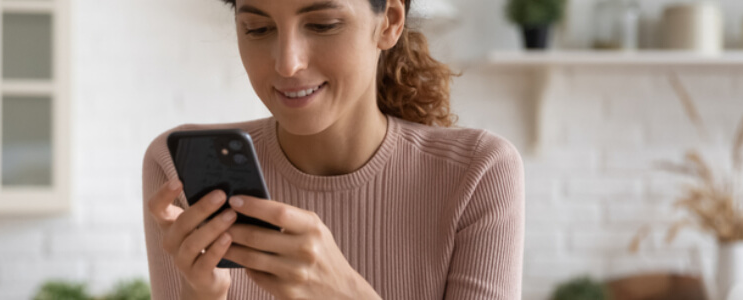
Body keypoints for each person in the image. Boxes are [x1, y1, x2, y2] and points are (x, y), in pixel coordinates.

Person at [141, 0, 525, 299]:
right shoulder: (175, 167)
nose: (287, 63)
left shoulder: (478, 172)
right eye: (257, 29)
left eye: (323, 24)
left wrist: (345, 293)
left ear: (389, 21)